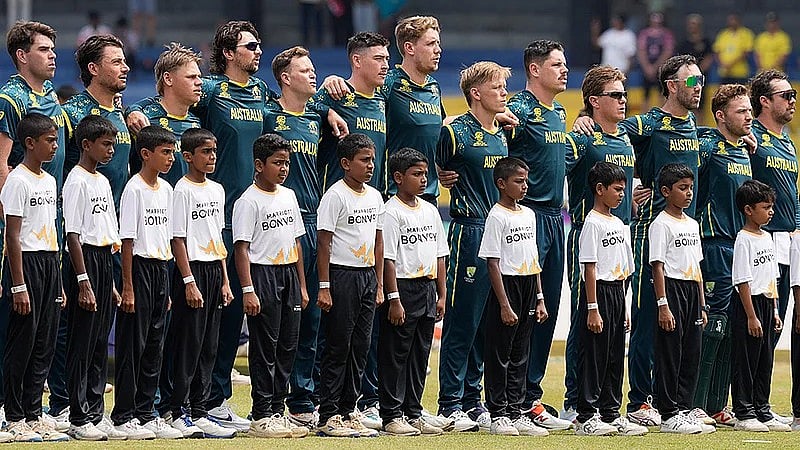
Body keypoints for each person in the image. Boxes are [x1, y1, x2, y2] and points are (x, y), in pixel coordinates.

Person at [574, 54, 704, 427]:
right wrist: (584, 119)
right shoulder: (646, 124)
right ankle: (639, 400)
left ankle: (672, 400)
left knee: (679, 323)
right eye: (692, 82)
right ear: (672, 86)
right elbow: (609, 136)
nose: (698, 88)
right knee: (648, 320)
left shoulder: (695, 125)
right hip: (649, 230)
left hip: (685, 234)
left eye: (700, 80)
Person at [435, 61, 510, 432]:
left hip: (500, 231)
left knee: (485, 323)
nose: (504, 93)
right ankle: (449, 401)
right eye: (497, 87)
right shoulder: (454, 132)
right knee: (462, 320)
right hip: (469, 230)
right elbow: (429, 163)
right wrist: (437, 173)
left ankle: (471, 398)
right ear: (476, 93)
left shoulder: (503, 133)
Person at [503, 40, 572, 431]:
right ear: (534, 69)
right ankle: (505, 396)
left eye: (564, 64)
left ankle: (531, 396)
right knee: (520, 308)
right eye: (557, 65)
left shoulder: (560, 112)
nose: (565, 70)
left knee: (547, 311)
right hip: (525, 218)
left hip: (554, 219)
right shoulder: (519, 110)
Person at [562, 65, 635, 422]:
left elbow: (633, 184)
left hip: (622, 237)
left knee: (615, 321)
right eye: (615, 95)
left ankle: (608, 402)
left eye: (624, 94)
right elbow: (549, 167)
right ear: (594, 101)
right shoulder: (582, 138)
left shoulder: (625, 140)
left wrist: (641, 191)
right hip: (586, 235)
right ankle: (577, 401)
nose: (623, 100)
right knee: (585, 318)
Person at [265, 46, 325, 431]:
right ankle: (270, 402)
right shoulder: (269, 116)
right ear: (286, 78)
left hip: (314, 223)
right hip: (278, 224)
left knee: (313, 317)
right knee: (279, 319)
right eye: (305, 70)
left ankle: (304, 400)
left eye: (314, 68)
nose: (314, 74)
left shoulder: (319, 118)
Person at [233, 133, 309, 439]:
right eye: (277, 162)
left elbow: (296, 241)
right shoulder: (247, 201)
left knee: (288, 345)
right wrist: (248, 289)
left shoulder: (289, 195)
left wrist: (303, 285)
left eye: (287, 162)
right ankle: (261, 414)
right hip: (263, 275)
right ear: (258, 164)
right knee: (266, 346)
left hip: (289, 273)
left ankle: (280, 409)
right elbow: (241, 248)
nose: (284, 168)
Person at [111, 125, 181, 440]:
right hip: (138, 269)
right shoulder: (134, 189)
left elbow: (165, 238)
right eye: (165, 152)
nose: (171, 158)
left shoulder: (167, 190)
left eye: (172, 152)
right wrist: (127, 286)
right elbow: (127, 241)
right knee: (132, 347)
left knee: (155, 345)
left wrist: (165, 283)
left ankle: (145, 412)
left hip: (160, 269)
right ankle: (123, 414)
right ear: (145, 154)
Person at [0, 113, 66, 443]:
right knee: (22, 343)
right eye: (50, 141)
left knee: (44, 343)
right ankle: (12, 417)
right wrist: (18, 284)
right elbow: (12, 236)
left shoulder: (50, 181)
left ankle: (33, 414)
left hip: (49, 262)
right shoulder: (18, 181)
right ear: (30, 143)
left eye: (56, 140)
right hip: (24, 263)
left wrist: (58, 279)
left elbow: (51, 230)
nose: (55, 146)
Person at [167, 128, 236, 439]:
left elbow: (216, 235)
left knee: (209, 343)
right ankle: (176, 409)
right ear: (188, 156)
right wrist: (188, 281)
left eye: (214, 152)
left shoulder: (217, 190)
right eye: (206, 152)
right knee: (188, 344)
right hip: (191, 270)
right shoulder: (181, 191)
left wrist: (224, 279)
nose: (212, 157)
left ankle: (200, 408)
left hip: (212, 269)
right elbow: (178, 239)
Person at [691, 84, 753, 427]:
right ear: (720, 116)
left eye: (749, 111)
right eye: (741, 111)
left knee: (732, 328)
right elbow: (681, 171)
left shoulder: (744, 150)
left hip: (741, 245)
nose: (748, 117)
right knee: (712, 325)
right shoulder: (707, 146)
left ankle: (717, 405)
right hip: (713, 243)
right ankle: (695, 404)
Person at [315, 133, 384, 438]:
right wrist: (325, 285)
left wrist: (380, 283)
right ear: (345, 163)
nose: (371, 165)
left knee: (360, 347)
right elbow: (324, 243)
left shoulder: (374, 196)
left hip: (367, 276)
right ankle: (328, 413)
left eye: (372, 159)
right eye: (364, 160)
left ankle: (348, 409)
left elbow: (378, 242)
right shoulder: (335, 196)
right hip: (342, 276)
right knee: (338, 346)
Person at [62, 115, 124, 441]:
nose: (112, 150)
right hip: (84, 261)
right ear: (86, 145)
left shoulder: (101, 180)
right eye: (106, 144)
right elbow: (73, 235)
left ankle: (97, 413)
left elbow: (106, 232)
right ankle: (77, 415)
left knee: (100, 342)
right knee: (82, 343)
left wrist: (110, 283)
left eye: (113, 144)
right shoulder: (77, 181)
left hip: (102, 260)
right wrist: (83, 280)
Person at [378, 148, 447, 436]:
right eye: (416, 174)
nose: (423, 180)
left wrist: (442, 294)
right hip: (403, 289)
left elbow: (440, 254)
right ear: (398, 177)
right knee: (397, 353)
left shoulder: (430, 210)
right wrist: (393, 298)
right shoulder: (390, 212)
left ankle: (413, 410)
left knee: (420, 353)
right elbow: (388, 259)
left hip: (427, 286)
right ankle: (392, 414)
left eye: (425, 174)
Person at [574, 161, 646, 437]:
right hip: (598, 293)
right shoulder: (592, 223)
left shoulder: (618, 222)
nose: (622, 195)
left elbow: (625, 268)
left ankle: (610, 412)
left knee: (615, 356)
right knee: (594, 355)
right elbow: (590, 267)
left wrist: (624, 307)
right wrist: (593, 308)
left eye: (624, 190)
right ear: (599, 189)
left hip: (616, 293)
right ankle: (586, 415)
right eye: (617, 189)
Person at [479, 157, 548, 437]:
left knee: (521, 352)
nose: (524, 186)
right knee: (500, 353)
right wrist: (504, 304)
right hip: (506, 287)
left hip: (529, 285)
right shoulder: (497, 216)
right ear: (501, 183)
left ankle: (517, 411)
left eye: (525, 180)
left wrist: (540, 297)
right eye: (518, 181)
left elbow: (534, 258)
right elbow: (492, 262)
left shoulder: (529, 214)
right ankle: (498, 413)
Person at [648, 163, 711, 434]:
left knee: (691, 351)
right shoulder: (660, 224)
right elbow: (658, 266)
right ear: (666, 191)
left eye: (691, 188)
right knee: (670, 352)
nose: (688, 193)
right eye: (682, 188)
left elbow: (696, 267)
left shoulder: (693, 224)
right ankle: (668, 412)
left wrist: (702, 304)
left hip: (691, 291)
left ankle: (684, 408)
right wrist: (663, 305)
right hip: (671, 290)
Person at [731, 179, 789, 432]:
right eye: (766, 207)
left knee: (765, 358)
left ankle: (762, 409)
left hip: (766, 302)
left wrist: (774, 311)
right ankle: (744, 413)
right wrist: (751, 316)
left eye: (772, 206)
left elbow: (771, 277)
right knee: (747, 359)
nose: (771, 211)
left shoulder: (767, 237)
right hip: (748, 305)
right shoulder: (744, 239)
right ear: (748, 209)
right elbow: (742, 280)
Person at [748, 70, 799, 361]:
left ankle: (761, 402)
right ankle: (747, 403)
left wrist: (798, 228)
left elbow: (793, 191)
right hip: (761, 239)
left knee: (775, 325)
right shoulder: (751, 134)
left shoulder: (788, 141)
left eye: (794, 95)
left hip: (787, 240)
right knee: (758, 323)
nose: (793, 101)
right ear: (765, 101)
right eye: (786, 96)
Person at [315, 31, 389, 194]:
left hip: (372, 201)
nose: (385, 65)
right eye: (378, 59)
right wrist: (327, 111)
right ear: (357, 60)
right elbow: (302, 108)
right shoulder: (336, 92)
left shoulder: (383, 99)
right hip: (338, 201)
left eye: (386, 59)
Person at [382, 15, 445, 204]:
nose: (438, 50)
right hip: (395, 196)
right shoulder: (388, 83)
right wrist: (332, 81)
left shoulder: (434, 86)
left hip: (429, 196)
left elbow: (439, 126)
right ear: (409, 48)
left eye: (438, 43)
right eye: (431, 44)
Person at [127, 42, 201, 185]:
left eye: (199, 76)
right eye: (191, 77)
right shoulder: (144, 120)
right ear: (168, 79)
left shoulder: (196, 122)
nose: (199, 82)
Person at [676, 14, 713, 124]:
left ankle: (698, 128)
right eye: (690, 24)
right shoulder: (684, 43)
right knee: (688, 102)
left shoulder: (706, 42)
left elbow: (709, 57)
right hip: (687, 78)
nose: (692, 27)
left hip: (700, 77)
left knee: (699, 104)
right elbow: (680, 60)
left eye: (694, 24)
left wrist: (697, 72)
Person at [637, 12, 675, 112]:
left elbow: (668, 51)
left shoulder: (666, 34)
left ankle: (662, 117)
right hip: (647, 68)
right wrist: (647, 67)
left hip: (661, 68)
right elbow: (641, 50)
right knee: (645, 94)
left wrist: (657, 66)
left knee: (662, 93)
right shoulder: (644, 33)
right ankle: (645, 119)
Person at [713, 14, 754, 85]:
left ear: (739, 21)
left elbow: (746, 53)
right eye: (730, 20)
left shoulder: (746, 33)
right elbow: (717, 51)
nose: (732, 22)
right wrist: (722, 64)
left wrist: (731, 64)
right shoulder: (723, 34)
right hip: (724, 72)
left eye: (734, 20)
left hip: (740, 73)